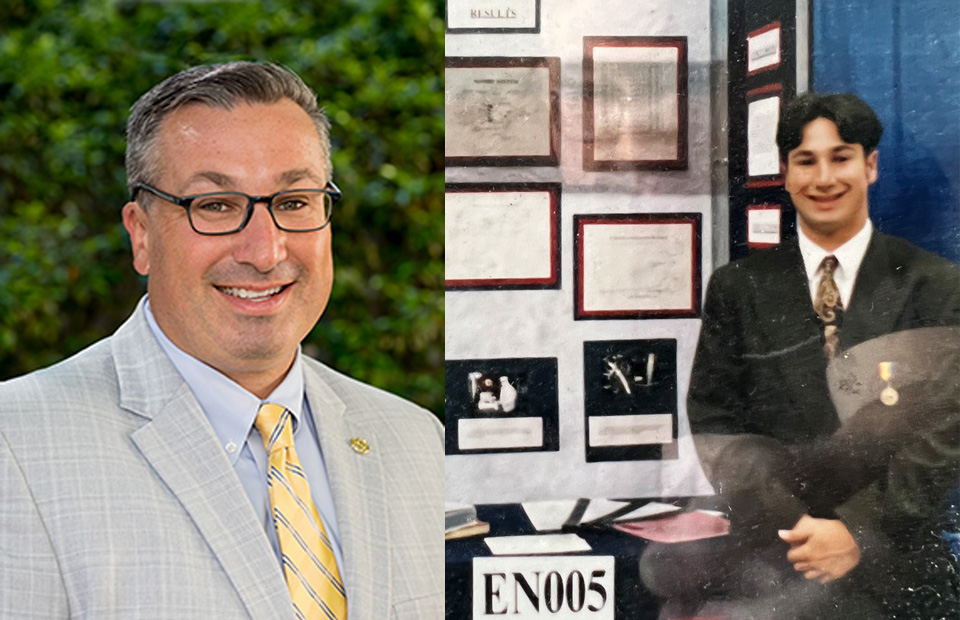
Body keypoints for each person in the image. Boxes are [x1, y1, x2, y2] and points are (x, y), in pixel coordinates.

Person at [0, 62, 443, 619]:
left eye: (294, 202)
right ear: (141, 235)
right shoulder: (15, 446)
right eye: (215, 206)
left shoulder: (416, 440)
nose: (265, 251)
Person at [641, 93, 960, 619]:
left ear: (870, 166)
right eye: (806, 161)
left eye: (841, 157)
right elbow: (715, 422)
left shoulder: (936, 285)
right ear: (786, 174)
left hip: (891, 558)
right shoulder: (739, 287)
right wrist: (801, 527)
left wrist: (855, 530)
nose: (824, 178)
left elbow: (942, 435)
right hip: (778, 544)